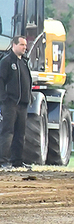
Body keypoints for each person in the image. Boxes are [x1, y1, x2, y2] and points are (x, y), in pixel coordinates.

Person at [0, 36, 32, 170]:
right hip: (10, 104)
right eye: (22, 45)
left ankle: (17, 161)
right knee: (7, 132)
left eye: (25, 45)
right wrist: (4, 98)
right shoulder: (7, 61)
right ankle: (2, 161)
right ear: (14, 45)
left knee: (20, 133)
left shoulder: (24, 62)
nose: (24, 47)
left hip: (23, 105)